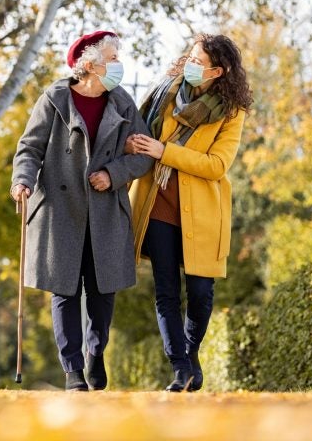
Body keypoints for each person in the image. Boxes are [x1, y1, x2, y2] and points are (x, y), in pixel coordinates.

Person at [11, 30, 154, 391]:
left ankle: (96, 352)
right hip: (62, 210)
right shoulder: (54, 99)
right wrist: (22, 180)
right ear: (88, 65)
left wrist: (113, 173)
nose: (118, 66)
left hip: (105, 209)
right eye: (112, 59)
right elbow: (29, 148)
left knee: (103, 291)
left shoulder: (122, 102)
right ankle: (72, 368)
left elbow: (143, 156)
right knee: (65, 290)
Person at [126, 33, 253, 392]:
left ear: (219, 71)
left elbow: (216, 165)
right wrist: (134, 144)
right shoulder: (165, 93)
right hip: (157, 205)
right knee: (166, 291)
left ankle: (191, 352)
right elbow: (138, 132)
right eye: (191, 57)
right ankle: (180, 367)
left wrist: (162, 151)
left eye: (200, 62)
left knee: (200, 293)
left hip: (201, 212)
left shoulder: (231, 112)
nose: (191, 65)